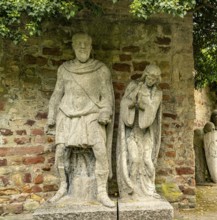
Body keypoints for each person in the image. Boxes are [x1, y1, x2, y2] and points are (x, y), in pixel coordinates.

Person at [47, 33, 115, 207]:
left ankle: (101, 191)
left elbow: (107, 96)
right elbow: (57, 93)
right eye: (79, 44)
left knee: (99, 150)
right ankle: (63, 187)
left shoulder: (101, 69)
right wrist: (51, 117)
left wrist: (105, 111)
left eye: (86, 44)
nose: (83, 47)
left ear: (91, 47)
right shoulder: (64, 69)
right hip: (67, 114)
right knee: (61, 151)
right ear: (73, 47)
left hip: (92, 114)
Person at [117, 64, 162, 200]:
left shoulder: (157, 93)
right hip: (133, 132)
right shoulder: (133, 86)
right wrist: (132, 102)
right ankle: (131, 191)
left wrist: (141, 103)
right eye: (149, 77)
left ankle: (149, 190)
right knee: (135, 160)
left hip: (146, 133)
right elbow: (124, 103)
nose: (151, 80)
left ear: (157, 80)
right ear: (145, 75)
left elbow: (151, 112)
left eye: (154, 79)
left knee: (148, 161)